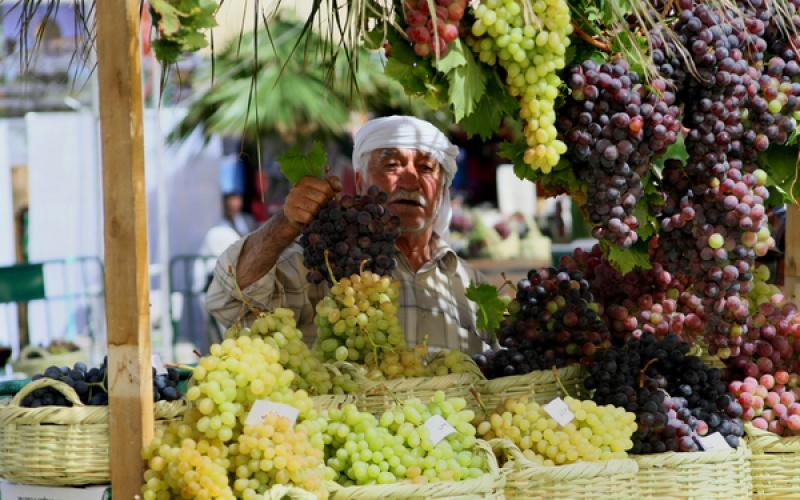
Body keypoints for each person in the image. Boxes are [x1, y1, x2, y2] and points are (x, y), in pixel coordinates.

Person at [206, 116, 486, 353]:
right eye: (392, 165)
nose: (411, 181)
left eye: (426, 168)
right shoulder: (321, 266)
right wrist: (283, 225)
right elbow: (229, 303)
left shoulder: (470, 284)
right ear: (361, 180)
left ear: (443, 188)